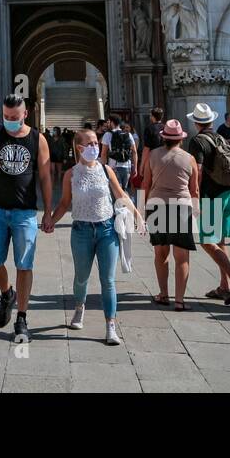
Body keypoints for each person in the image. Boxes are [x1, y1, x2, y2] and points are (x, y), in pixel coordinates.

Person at [48, 129, 144, 343]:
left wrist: (138, 216)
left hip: (106, 230)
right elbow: (64, 203)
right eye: (89, 143)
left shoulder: (106, 169)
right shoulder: (71, 174)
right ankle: (79, 307)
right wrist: (51, 221)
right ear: (79, 147)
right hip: (81, 231)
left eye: (96, 143)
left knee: (108, 280)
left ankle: (110, 326)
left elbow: (121, 194)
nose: (94, 146)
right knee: (81, 278)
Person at [0, 95, 53, 343]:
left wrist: (48, 211)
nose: (9, 121)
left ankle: (21, 317)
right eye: (6, 117)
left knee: (24, 264)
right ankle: (7, 292)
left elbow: (45, 177)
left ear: (25, 114)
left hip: (25, 211)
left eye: (14, 117)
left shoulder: (37, 139)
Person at [185, 104, 230, 305]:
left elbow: (197, 170)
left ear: (196, 122)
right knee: (220, 241)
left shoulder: (197, 141)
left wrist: (193, 196)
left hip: (213, 196)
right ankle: (224, 286)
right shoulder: (221, 137)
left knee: (206, 241)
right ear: (211, 121)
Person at [140, 119, 199, 310]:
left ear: (163, 137)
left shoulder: (153, 156)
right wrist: (195, 211)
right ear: (181, 139)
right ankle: (180, 300)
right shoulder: (189, 158)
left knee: (160, 253)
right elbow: (194, 190)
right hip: (181, 207)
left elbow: (146, 184)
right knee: (182, 257)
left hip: (157, 206)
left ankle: (163, 294)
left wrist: (141, 210)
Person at [102, 115, 136, 197]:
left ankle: (121, 208)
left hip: (114, 167)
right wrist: (135, 167)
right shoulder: (128, 134)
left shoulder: (108, 134)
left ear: (112, 122)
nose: (107, 124)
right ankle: (126, 208)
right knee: (123, 191)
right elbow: (134, 151)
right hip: (127, 166)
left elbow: (103, 153)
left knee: (115, 193)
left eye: (108, 122)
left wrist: (103, 168)